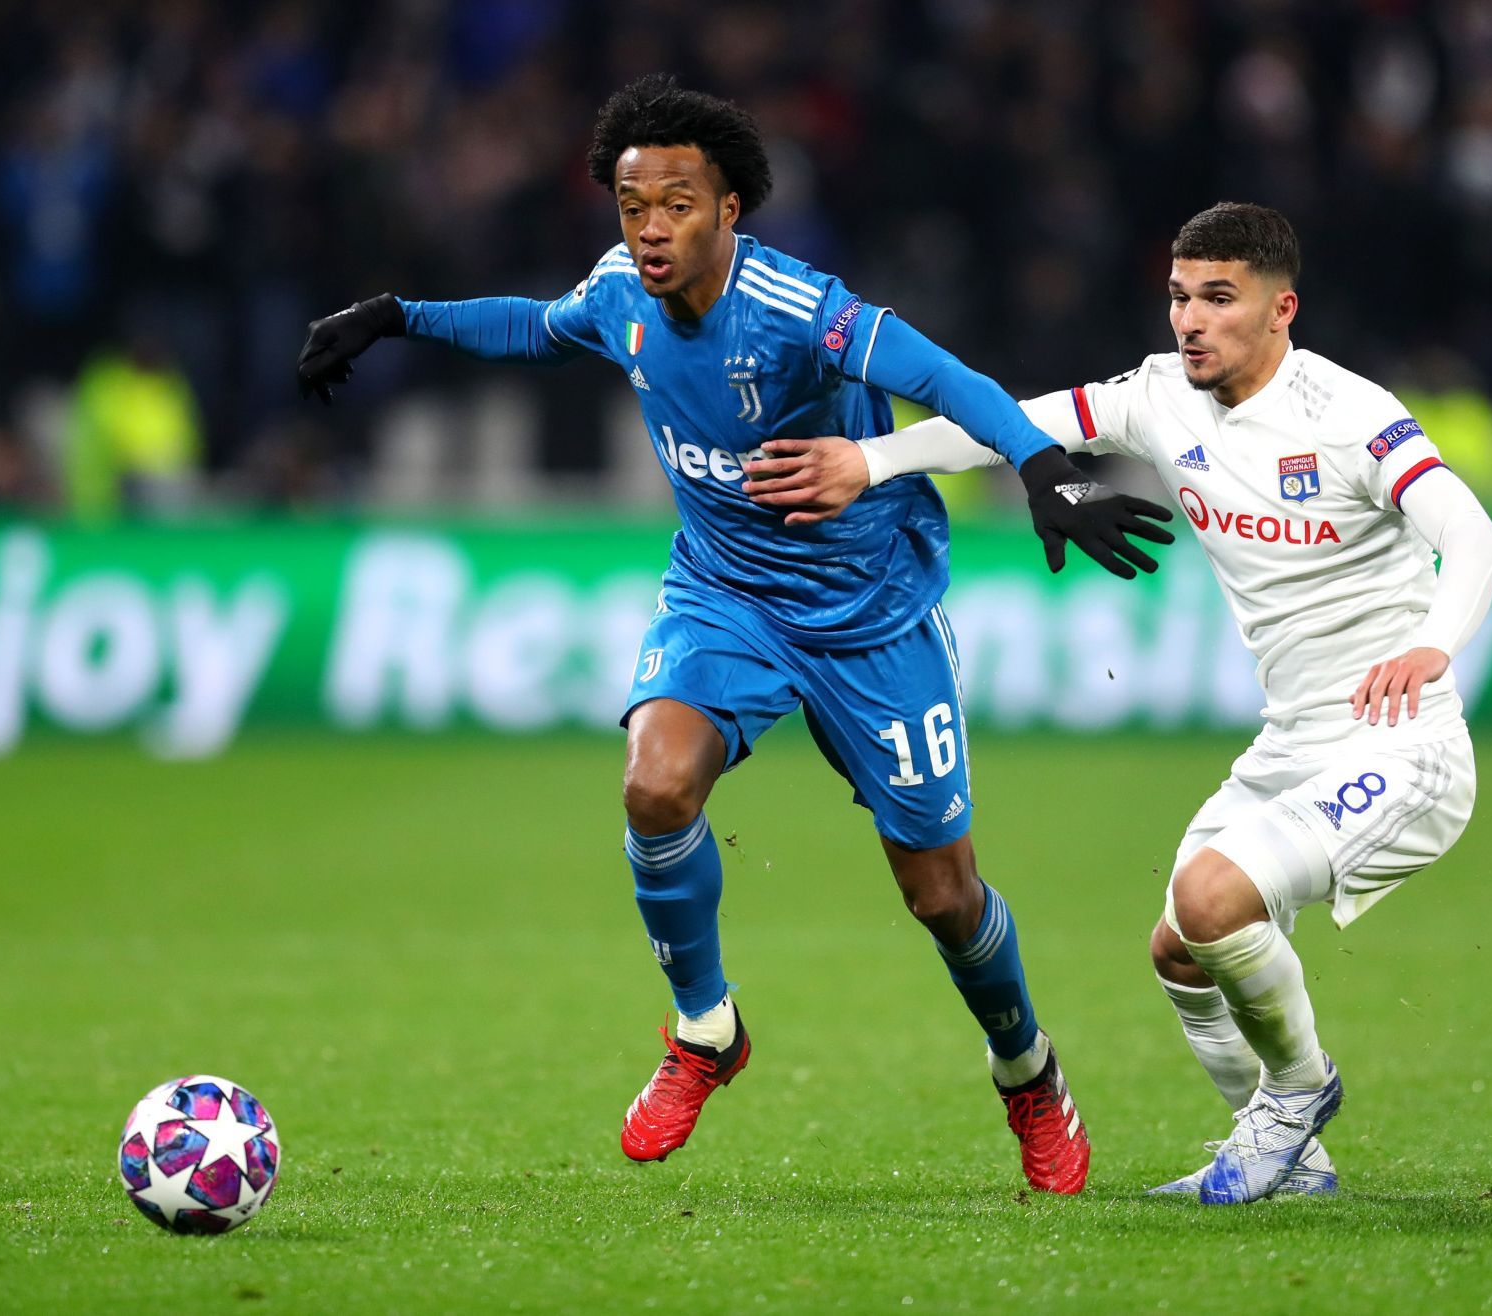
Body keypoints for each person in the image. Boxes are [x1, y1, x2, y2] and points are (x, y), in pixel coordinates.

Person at [295, 75, 1175, 1194]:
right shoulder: (619, 292)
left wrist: (1041, 466)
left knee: (943, 896)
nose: (650, 227)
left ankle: (1029, 1074)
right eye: (631, 203)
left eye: (675, 202)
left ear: (728, 211)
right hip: (728, 596)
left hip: (871, 615)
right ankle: (706, 1027)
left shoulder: (801, 309)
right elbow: (537, 325)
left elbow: (941, 375)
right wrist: (396, 314)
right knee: (655, 784)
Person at [741, 201, 1492, 1204]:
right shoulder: (1160, 396)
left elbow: (1475, 537)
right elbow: (1015, 427)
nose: (1191, 318)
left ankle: (1298, 1094)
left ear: (1283, 310)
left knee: (1210, 899)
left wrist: (1429, 646)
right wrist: (870, 460)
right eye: (1182, 295)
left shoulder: (1350, 416)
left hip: (1405, 743)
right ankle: (1292, 1157)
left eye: (1219, 298)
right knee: (1180, 950)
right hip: (1295, 740)